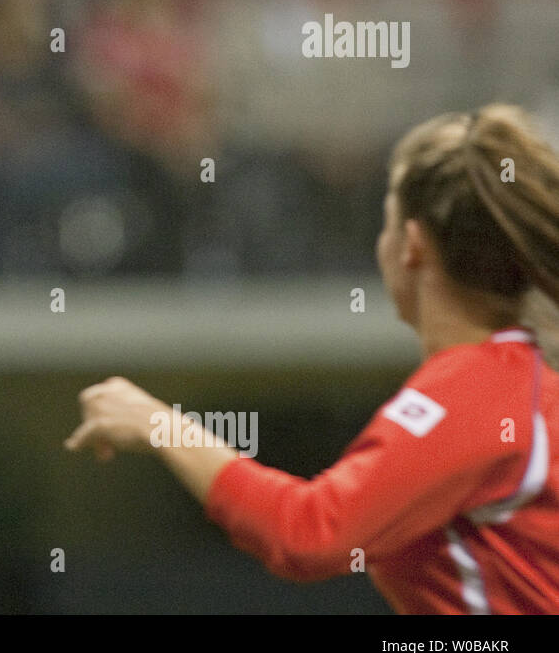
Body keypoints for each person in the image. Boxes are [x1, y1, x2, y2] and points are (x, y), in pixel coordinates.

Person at [66, 104, 559, 614]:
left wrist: (159, 425)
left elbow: (309, 534)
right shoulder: (515, 384)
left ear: (411, 246)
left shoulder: (476, 390)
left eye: (386, 222)